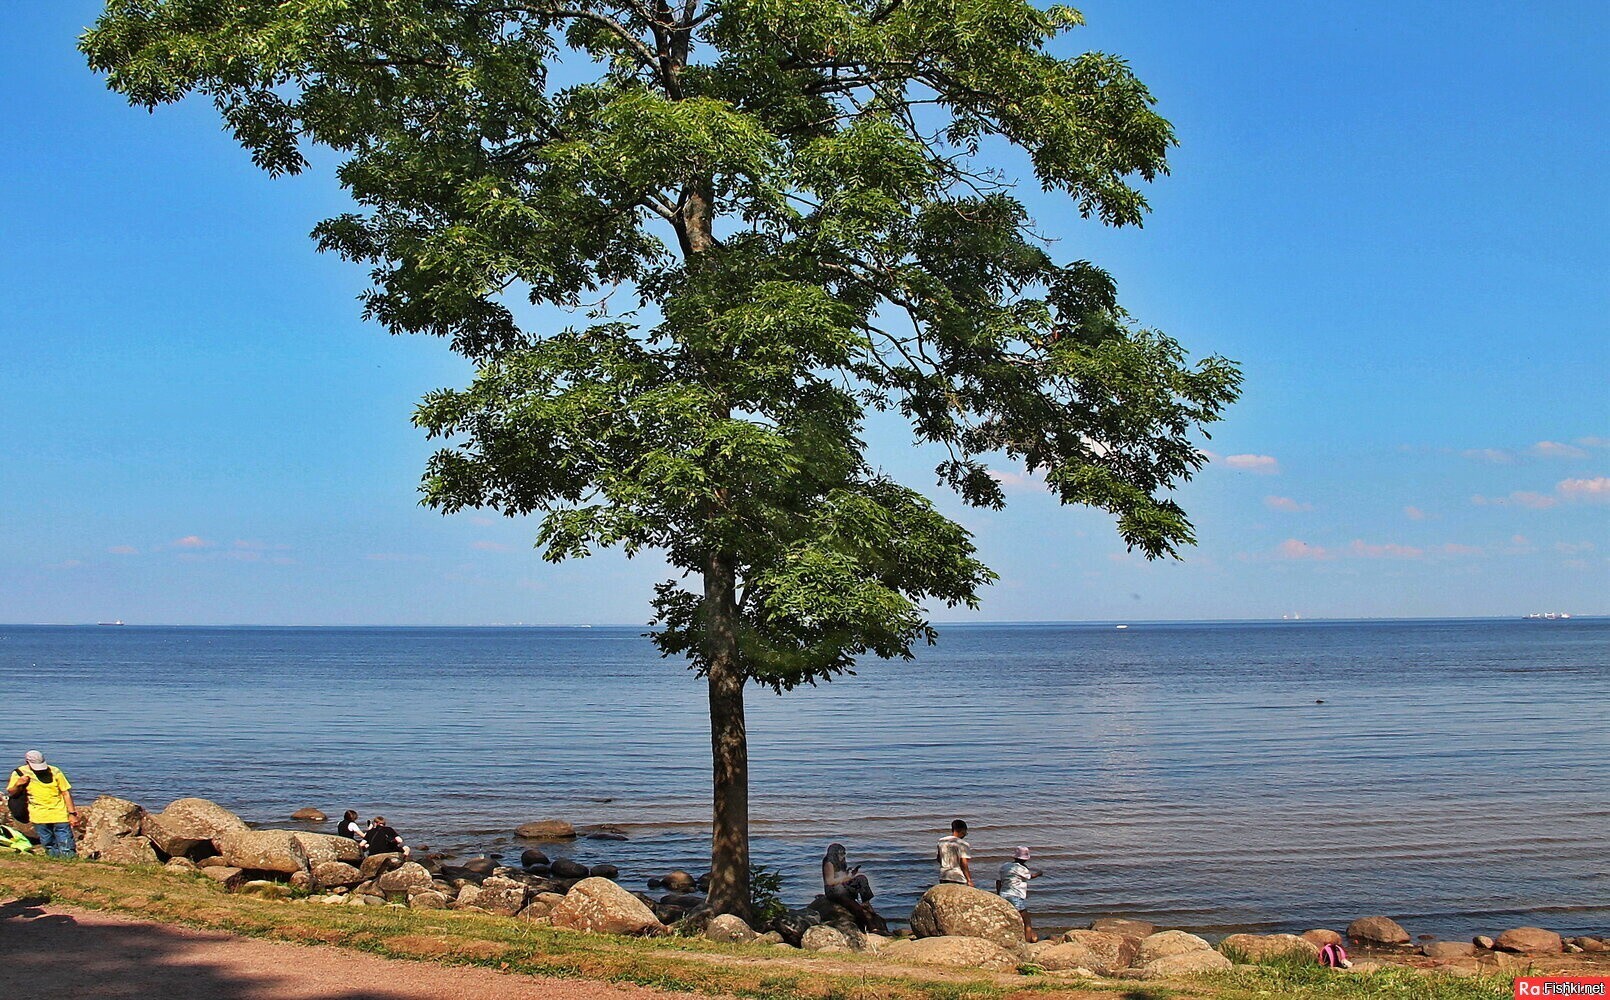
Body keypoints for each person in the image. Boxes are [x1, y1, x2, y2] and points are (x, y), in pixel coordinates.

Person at [6, 750, 78, 858]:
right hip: (38, 815)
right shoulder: (19, 773)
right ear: (27, 762)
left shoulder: (55, 771)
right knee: (48, 843)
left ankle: (70, 862)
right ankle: (54, 862)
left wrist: (72, 813)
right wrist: (18, 783)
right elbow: (11, 792)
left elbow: (65, 792)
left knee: (66, 843)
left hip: (59, 814)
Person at [822, 843, 877, 928]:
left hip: (842, 885)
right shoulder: (829, 863)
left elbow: (842, 875)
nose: (843, 856)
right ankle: (868, 926)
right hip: (834, 890)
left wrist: (850, 874)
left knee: (861, 878)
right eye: (841, 854)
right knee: (856, 908)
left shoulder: (841, 863)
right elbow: (829, 881)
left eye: (844, 853)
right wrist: (846, 878)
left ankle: (866, 902)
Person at [996, 846, 1044, 942]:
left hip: (1003, 894)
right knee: (1027, 921)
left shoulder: (1005, 866)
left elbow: (998, 882)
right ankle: (1027, 942)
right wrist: (1039, 873)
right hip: (1016, 896)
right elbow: (1030, 876)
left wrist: (998, 895)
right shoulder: (1022, 869)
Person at [936, 818, 973, 886]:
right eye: (965, 832)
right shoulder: (963, 844)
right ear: (963, 831)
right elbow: (963, 863)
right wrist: (969, 880)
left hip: (944, 876)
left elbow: (939, 859)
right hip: (958, 877)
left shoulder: (941, 841)